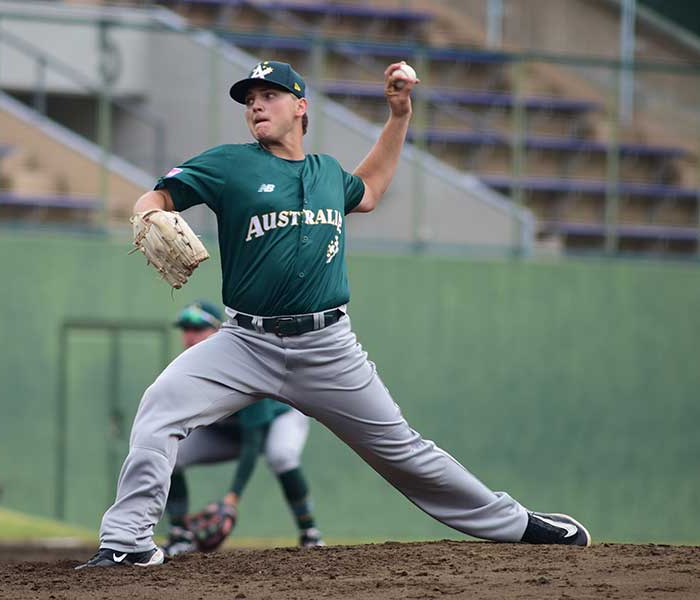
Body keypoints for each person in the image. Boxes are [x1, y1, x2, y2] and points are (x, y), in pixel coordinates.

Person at [77, 60, 590, 569]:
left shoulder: (326, 174)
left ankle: (517, 524)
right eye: (249, 98)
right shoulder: (229, 164)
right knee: (159, 409)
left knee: (404, 452)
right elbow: (162, 192)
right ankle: (128, 542)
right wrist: (149, 210)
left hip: (327, 347)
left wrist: (399, 115)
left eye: (269, 94)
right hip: (244, 343)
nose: (256, 103)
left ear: (300, 107)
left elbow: (369, 188)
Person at [163, 301, 324, 557]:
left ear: (219, 331)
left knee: (280, 455)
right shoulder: (185, 370)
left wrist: (232, 498)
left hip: (276, 421)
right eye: (185, 328)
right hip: (226, 430)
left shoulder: (239, 365)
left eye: (198, 328)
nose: (189, 335)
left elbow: (252, 442)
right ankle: (180, 535)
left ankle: (310, 533)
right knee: (173, 455)